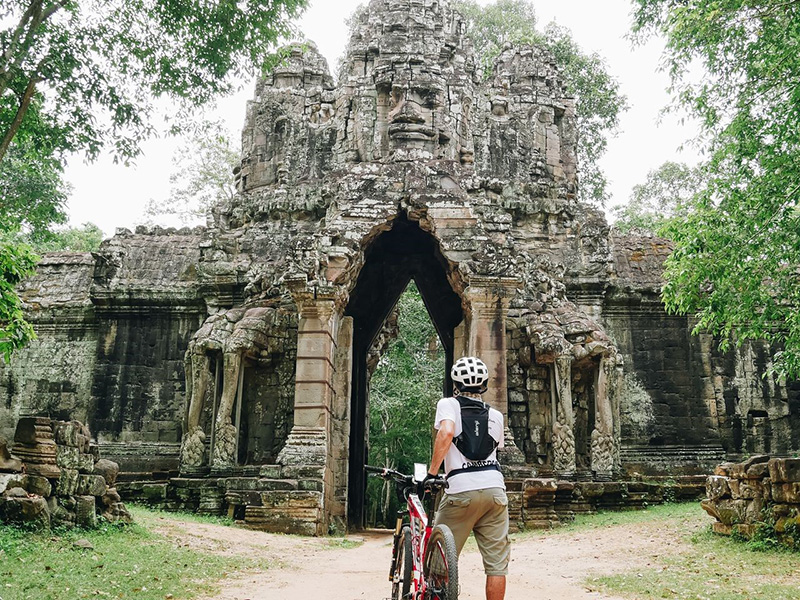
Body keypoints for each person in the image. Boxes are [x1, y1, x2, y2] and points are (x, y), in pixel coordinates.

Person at [426, 356, 510, 600]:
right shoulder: (496, 415)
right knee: (496, 566)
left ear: (455, 384)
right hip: (495, 491)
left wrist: (433, 473)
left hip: (461, 490)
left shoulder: (448, 404)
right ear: (484, 385)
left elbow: (447, 432)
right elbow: (494, 450)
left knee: (440, 560)